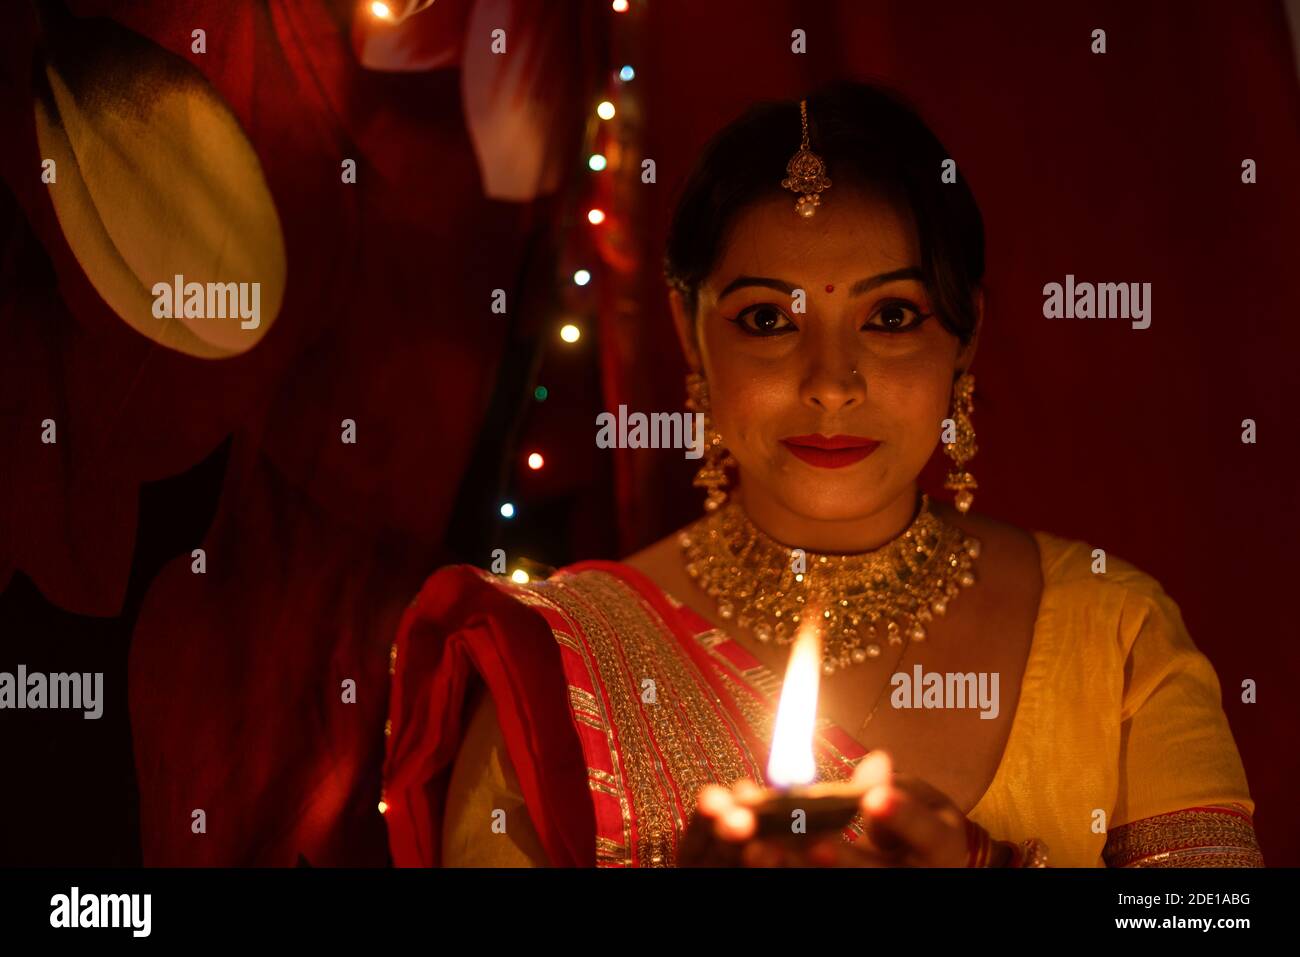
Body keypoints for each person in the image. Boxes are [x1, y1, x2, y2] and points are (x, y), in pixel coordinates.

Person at [380, 81, 1263, 868]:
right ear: (691, 334)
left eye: (890, 314)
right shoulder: (557, 665)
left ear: (967, 336)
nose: (832, 384)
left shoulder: (1115, 630)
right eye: (767, 318)